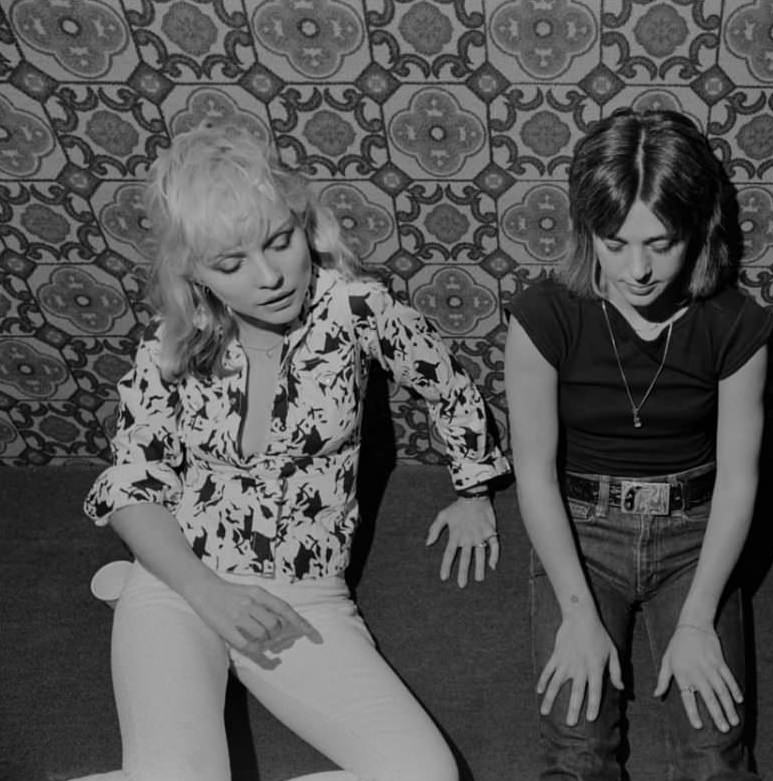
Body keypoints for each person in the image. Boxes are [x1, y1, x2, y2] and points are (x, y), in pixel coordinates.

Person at [78, 125, 510, 781]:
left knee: (424, 774)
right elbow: (132, 484)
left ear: (300, 222)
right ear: (193, 270)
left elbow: (444, 383)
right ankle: (134, 604)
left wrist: (473, 489)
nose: (272, 274)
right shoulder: (169, 344)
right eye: (232, 264)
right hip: (180, 585)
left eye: (280, 241)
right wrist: (203, 591)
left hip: (302, 600)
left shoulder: (355, 308)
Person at [504, 109, 773, 779]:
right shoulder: (544, 315)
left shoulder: (736, 324)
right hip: (583, 534)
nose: (638, 269)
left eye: (662, 242)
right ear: (587, 228)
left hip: (693, 536)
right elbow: (534, 473)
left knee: (716, 758)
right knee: (577, 754)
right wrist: (575, 610)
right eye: (615, 240)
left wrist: (698, 617)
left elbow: (741, 481)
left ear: (699, 229)